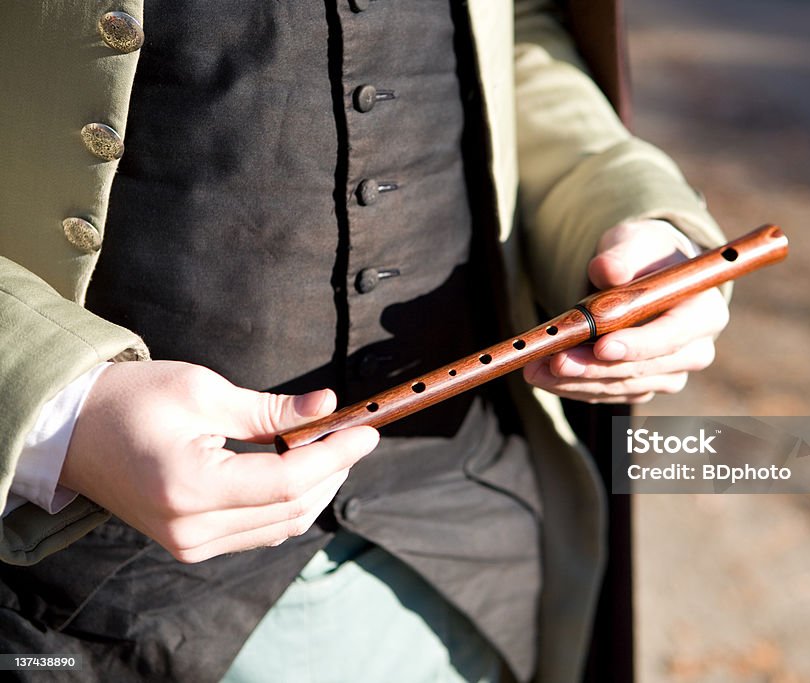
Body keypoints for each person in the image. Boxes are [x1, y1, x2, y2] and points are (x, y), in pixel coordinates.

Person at [0, 1, 729, 681]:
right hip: (76, 589)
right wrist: (60, 407)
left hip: (479, 542)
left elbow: (516, 32)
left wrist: (626, 208)